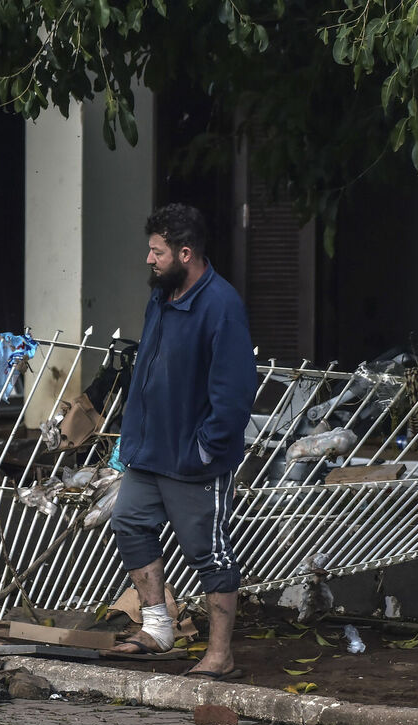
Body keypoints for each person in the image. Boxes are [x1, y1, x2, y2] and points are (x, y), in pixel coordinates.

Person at [110, 203, 257, 680]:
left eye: (157, 251)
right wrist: (130, 438)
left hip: (193, 460)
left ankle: (221, 654)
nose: (149, 260)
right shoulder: (163, 295)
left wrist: (206, 450)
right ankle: (157, 628)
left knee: (208, 554)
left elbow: (234, 393)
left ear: (185, 253)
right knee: (129, 523)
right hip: (148, 452)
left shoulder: (221, 305)